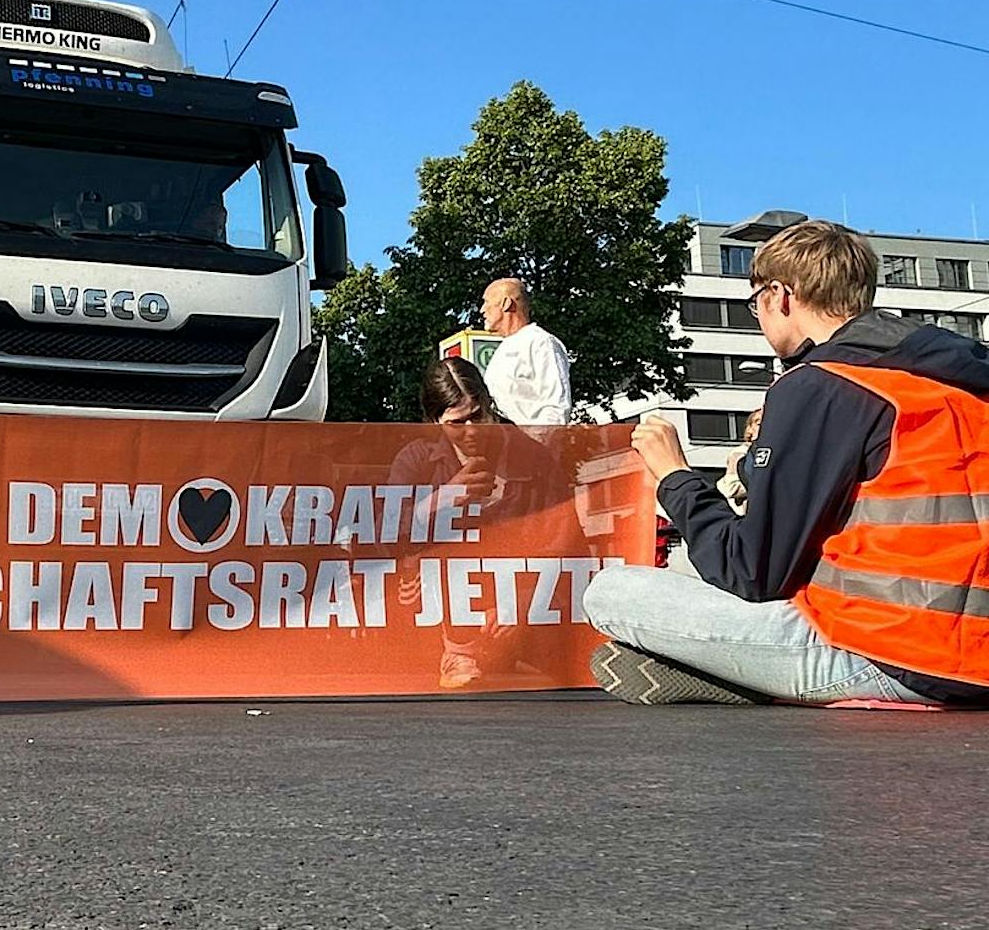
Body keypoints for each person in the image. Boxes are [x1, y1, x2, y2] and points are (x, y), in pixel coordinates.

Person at [585, 217, 989, 707]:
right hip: (968, 648)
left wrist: (674, 476)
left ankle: (744, 678)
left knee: (609, 592)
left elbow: (753, 573)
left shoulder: (821, 385)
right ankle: (734, 671)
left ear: (779, 295)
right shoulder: (952, 379)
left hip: (900, 658)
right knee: (691, 561)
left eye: (754, 301)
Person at [391, 358, 572, 688]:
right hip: (440, 618)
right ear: (435, 422)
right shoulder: (416, 460)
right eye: (458, 423)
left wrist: (526, 596)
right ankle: (458, 652)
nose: (472, 430)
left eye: (478, 416)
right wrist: (441, 499)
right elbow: (380, 532)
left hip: (527, 609)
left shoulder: (534, 457)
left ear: (490, 405)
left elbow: (566, 540)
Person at [480, 277, 572, 425]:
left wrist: (534, 446)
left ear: (506, 304)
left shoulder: (540, 342)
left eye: (486, 302)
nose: (482, 310)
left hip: (533, 445)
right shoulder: (502, 350)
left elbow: (556, 407)